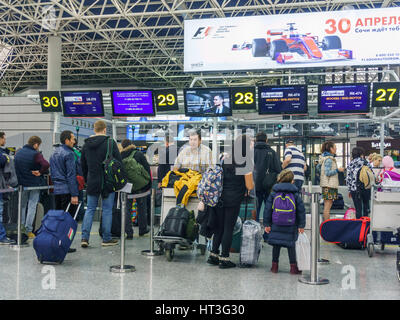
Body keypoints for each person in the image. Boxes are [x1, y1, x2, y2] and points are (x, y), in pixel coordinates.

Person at [207, 134, 254, 269]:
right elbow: (249, 186)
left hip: (220, 197)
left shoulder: (225, 158)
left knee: (219, 227)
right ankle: (225, 258)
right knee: (228, 227)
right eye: (250, 144)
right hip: (233, 200)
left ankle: (213, 255)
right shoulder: (246, 161)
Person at [80, 120, 121, 247]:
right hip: (108, 182)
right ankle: (106, 239)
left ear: (94, 129)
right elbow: (119, 162)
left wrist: (87, 179)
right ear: (104, 130)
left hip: (92, 180)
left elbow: (83, 164)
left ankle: (84, 238)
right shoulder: (110, 142)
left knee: (90, 209)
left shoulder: (86, 145)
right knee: (107, 210)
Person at [263, 169, 306, 274]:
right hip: (291, 224)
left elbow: (268, 209)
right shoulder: (295, 194)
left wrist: (267, 224)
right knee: (291, 245)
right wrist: (301, 225)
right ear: (292, 181)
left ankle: (274, 267)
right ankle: (293, 267)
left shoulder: (274, 193)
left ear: (279, 180)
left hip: (276, 223)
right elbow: (301, 210)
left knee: (276, 245)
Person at [50, 130, 80, 253]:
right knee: (67, 220)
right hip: (67, 190)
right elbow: (71, 175)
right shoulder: (69, 154)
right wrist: (74, 194)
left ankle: (55, 242)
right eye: (72, 139)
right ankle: (63, 244)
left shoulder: (54, 153)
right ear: (66, 140)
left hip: (57, 190)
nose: (74, 141)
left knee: (58, 218)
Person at [14, 136, 49, 239]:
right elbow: (46, 164)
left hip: (21, 184)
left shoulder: (18, 153)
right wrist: (40, 172)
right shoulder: (36, 154)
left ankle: (21, 228)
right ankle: (29, 230)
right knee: (32, 206)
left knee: (22, 205)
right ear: (36, 144)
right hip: (34, 184)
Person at [120, 139, 152, 237]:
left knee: (127, 209)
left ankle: (128, 232)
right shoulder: (139, 154)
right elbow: (147, 168)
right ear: (132, 145)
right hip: (140, 186)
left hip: (126, 186)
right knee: (141, 207)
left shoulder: (120, 156)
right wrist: (148, 184)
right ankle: (142, 229)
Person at [253, 131, 281, 222]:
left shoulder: (250, 152)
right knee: (269, 209)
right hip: (268, 186)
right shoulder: (272, 152)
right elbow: (278, 169)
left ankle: (254, 232)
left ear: (255, 140)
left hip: (254, 186)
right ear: (266, 140)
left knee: (255, 210)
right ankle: (268, 233)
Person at [318, 141, 345, 221]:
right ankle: (326, 224)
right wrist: (338, 170)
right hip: (329, 185)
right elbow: (327, 173)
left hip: (327, 185)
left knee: (327, 206)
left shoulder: (324, 159)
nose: (336, 149)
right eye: (335, 147)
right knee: (327, 207)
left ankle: (325, 224)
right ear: (331, 148)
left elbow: (319, 169)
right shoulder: (329, 159)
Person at [346, 147, 372, 219]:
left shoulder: (350, 164)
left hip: (354, 189)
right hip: (365, 188)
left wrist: (349, 190)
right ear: (361, 154)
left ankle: (359, 226)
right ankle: (366, 225)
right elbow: (371, 174)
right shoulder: (366, 163)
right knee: (366, 207)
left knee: (358, 209)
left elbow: (348, 179)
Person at [0, 132, 16, 245]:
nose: (5, 141)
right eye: (3, 138)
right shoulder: (2, 154)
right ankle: (1, 236)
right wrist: (5, 156)